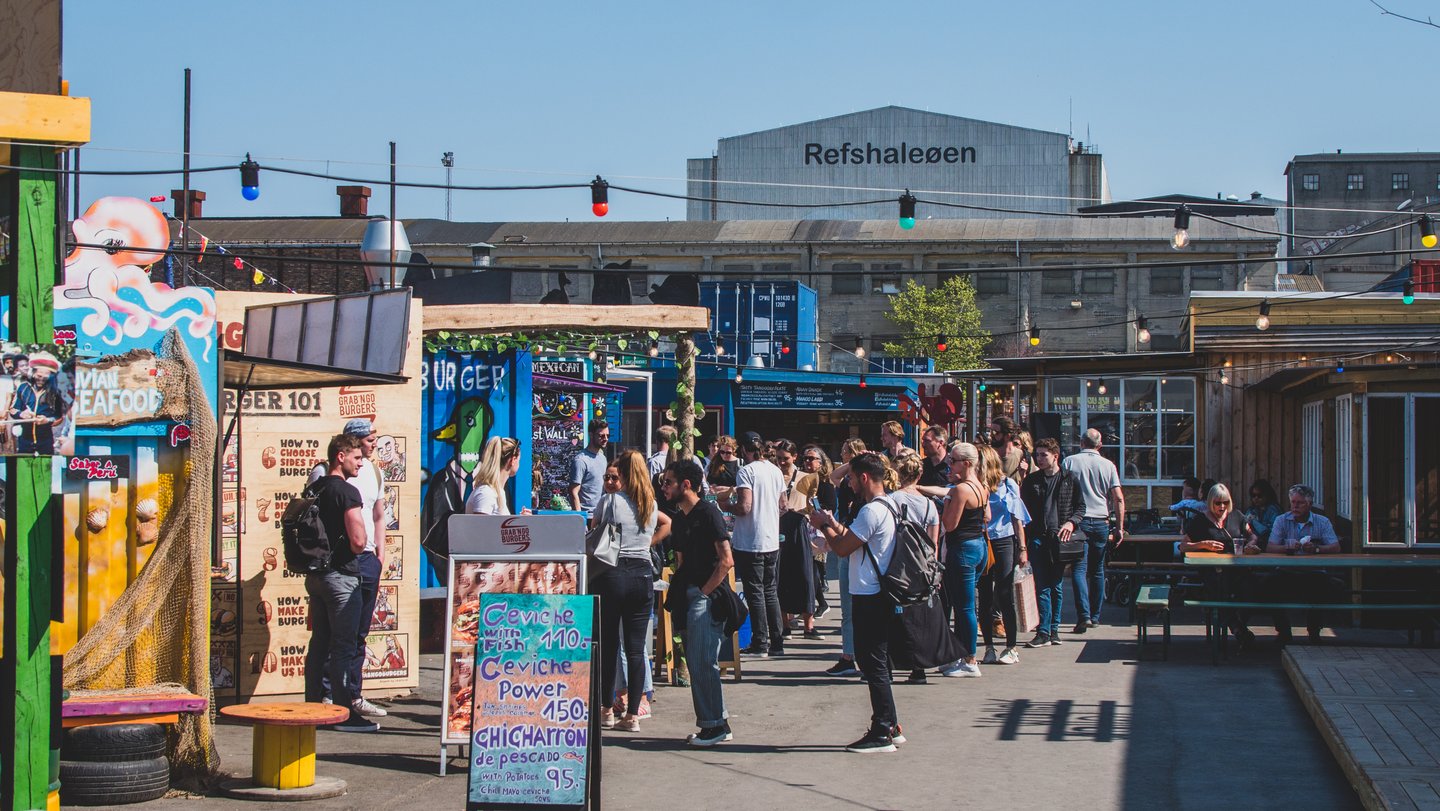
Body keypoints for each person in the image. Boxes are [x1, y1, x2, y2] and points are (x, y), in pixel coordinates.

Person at [808, 452, 909, 753]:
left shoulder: (871, 511)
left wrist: (822, 525)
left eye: (851, 477)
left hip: (871, 594)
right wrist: (832, 523)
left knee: (873, 663)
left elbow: (842, 548)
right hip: (879, 592)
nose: (848, 483)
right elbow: (854, 539)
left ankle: (882, 731)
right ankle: (891, 723)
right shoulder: (888, 504)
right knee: (876, 661)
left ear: (864, 478)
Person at [304, 419, 389, 718]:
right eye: (366, 441)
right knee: (338, 640)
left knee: (354, 635)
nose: (372, 445)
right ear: (346, 449)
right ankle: (336, 703)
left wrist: (379, 553)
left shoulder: (373, 472)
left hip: (361, 563)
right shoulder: (329, 479)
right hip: (340, 565)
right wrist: (358, 545)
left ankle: (350, 694)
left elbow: (378, 515)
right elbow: (353, 536)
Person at [593, 451, 671, 732]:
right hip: (642, 574)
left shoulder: (611, 501)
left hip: (613, 573)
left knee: (610, 644)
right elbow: (660, 527)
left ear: (622, 474)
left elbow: (596, 532)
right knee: (637, 649)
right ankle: (633, 714)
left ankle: (605, 709)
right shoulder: (650, 504)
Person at [660, 460, 734, 747]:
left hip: (707, 597)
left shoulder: (709, 513)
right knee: (696, 661)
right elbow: (680, 560)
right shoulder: (679, 518)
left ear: (686, 485)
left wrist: (704, 593)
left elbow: (727, 560)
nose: (663, 487)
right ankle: (715, 721)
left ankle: (714, 726)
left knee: (704, 662)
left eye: (668, 482)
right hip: (688, 595)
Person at [887, 451, 961, 687]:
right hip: (921, 567)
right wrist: (932, 570)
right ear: (919, 474)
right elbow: (934, 541)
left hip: (894, 565)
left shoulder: (890, 500)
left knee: (890, 615)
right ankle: (918, 669)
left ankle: (887, 666)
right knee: (917, 617)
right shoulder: (929, 504)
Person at [721, 431, 785, 656]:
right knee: (770, 591)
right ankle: (777, 643)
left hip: (751, 540)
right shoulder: (776, 471)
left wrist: (727, 506)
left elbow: (745, 506)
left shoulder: (746, 471)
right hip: (771, 539)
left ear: (745, 450)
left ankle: (760, 642)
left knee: (755, 592)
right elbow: (783, 505)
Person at [1020, 438, 1085, 647]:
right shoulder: (1032, 481)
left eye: (1043, 455)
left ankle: (1053, 629)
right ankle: (1044, 630)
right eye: (1037, 455)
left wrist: (1071, 524)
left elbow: (1080, 507)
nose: (1039, 459)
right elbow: (1024, 510)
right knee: (1042, 586)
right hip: (1039, 537)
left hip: (1060, 539)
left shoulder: (1070, 478)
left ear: (1055, 456)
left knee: (1056, 585)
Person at [1260, 484, 1344, 643]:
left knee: (1324, 586)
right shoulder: (1282, 520)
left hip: (1313, 571)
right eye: (1292, 502)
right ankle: (1283, 630)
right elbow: (1270, 546)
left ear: (1309, 504)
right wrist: (1286, 547)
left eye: (1299, 503)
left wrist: (1317, 549)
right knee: (1268, 584)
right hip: (1286, 571)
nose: (1295, 506)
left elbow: (1335, 547)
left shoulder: (1322, 522)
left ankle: (1314, 631)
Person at [1062, 427, 1125, 633]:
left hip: (1077, 520)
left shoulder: (1070, 462)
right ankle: (1095, 616)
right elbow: (1118, 497)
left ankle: (1084, 616)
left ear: (1081, 443)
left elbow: (1061, 493)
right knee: (1097, 570)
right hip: (1101, 520)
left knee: (1079, 569)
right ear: (1100, 445)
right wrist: (1120, 527)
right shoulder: (1108, 465)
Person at [977, 444, 1030, 665]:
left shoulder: (1007, 484)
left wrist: (1022, 548)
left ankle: (1011, 646)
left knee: (1005, 593)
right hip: (983, 540)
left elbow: (1018, 518)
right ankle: (989, 647)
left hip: (1004, 540)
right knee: (984, 596)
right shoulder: (975, 486)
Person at [939, 442, 989, 678]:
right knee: (964, 605)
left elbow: (949, 525)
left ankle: (970, 659)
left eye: (954, 460)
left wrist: (947, 501)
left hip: (963, 549)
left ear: (967, 464)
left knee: (966, 607)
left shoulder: (960, 490)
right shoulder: (981, 487)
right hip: (978, 545)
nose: (949, 464)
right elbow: (986, 516)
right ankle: (962, 655)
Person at [823, 438, 869, 676]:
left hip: (860, 550)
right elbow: (834, 476)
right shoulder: (847, 480)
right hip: (847, 537)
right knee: (848, 608)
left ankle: (870, 658)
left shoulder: (872, 502)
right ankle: (848, 655)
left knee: (866, 610)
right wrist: (854, 463)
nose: (850, 483)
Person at [774, 439, 819, 639]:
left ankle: (809, 625)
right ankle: (785, 624)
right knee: (781, 574)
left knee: (805, 574)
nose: (782, 462)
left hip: (799, 524)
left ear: (794, 457)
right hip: (778, 525)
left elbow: (812, 503)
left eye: (785, 459)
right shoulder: (773, 476)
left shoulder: (807, 477)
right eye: (778, 458)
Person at [800, 445, 837, 620]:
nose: (807, 462)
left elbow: (830, 506)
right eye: (805, 458)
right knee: (808, 567)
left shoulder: (825, 483)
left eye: (811, 458)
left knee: (813, 567)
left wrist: (814, 508)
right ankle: (817, 603)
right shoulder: (801, 479)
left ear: (820, 462)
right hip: (802, 525)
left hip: (817, 528)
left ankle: (821, 603)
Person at [10, 350, 64, 455]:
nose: (41, 380)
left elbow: (59, 417)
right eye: (39, 376)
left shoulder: (56, 391)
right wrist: (21, 414)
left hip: (45, 442)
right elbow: (12, 409)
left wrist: (47, 420)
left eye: (46, 377)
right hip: (24, 441)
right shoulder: (23, 388)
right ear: (33, 373)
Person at [464, 436, 524, 515]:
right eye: (519, 460)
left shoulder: (497, 492)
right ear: (513, 460)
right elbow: (478, 527)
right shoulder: (486, 493)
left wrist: (522, 521)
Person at [569, 419, 610, 515]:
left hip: (600, 514)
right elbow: (573, 491)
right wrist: (580, 518)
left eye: (607, 436)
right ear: (591, 435)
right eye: (601, 436)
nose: (605, 439)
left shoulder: (602, 458)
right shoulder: (581, 460)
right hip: (586, 515)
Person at [915, 426, 951, 502]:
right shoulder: (921, 466)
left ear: (940, 443)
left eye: (927, 441)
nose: (923, 444)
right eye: (922, 441)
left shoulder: (953, 465)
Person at [1244, 479, 1282, 546]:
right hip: (1252, 544)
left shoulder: (1273, 510)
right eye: (1253, 495)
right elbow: (1244, 527)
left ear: (1267, 495)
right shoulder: (1251, 510)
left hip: (1268, 545)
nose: (1256, 498)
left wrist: (1253, 521)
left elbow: (1268, 533)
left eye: (1259, 495)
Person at [991, 416, 1026, 484]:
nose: (991, 435)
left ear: (1008, 436)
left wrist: (1023, 476)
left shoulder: (1022, 456)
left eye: (995, 432)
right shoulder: (987, 456)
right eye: (991, 432)